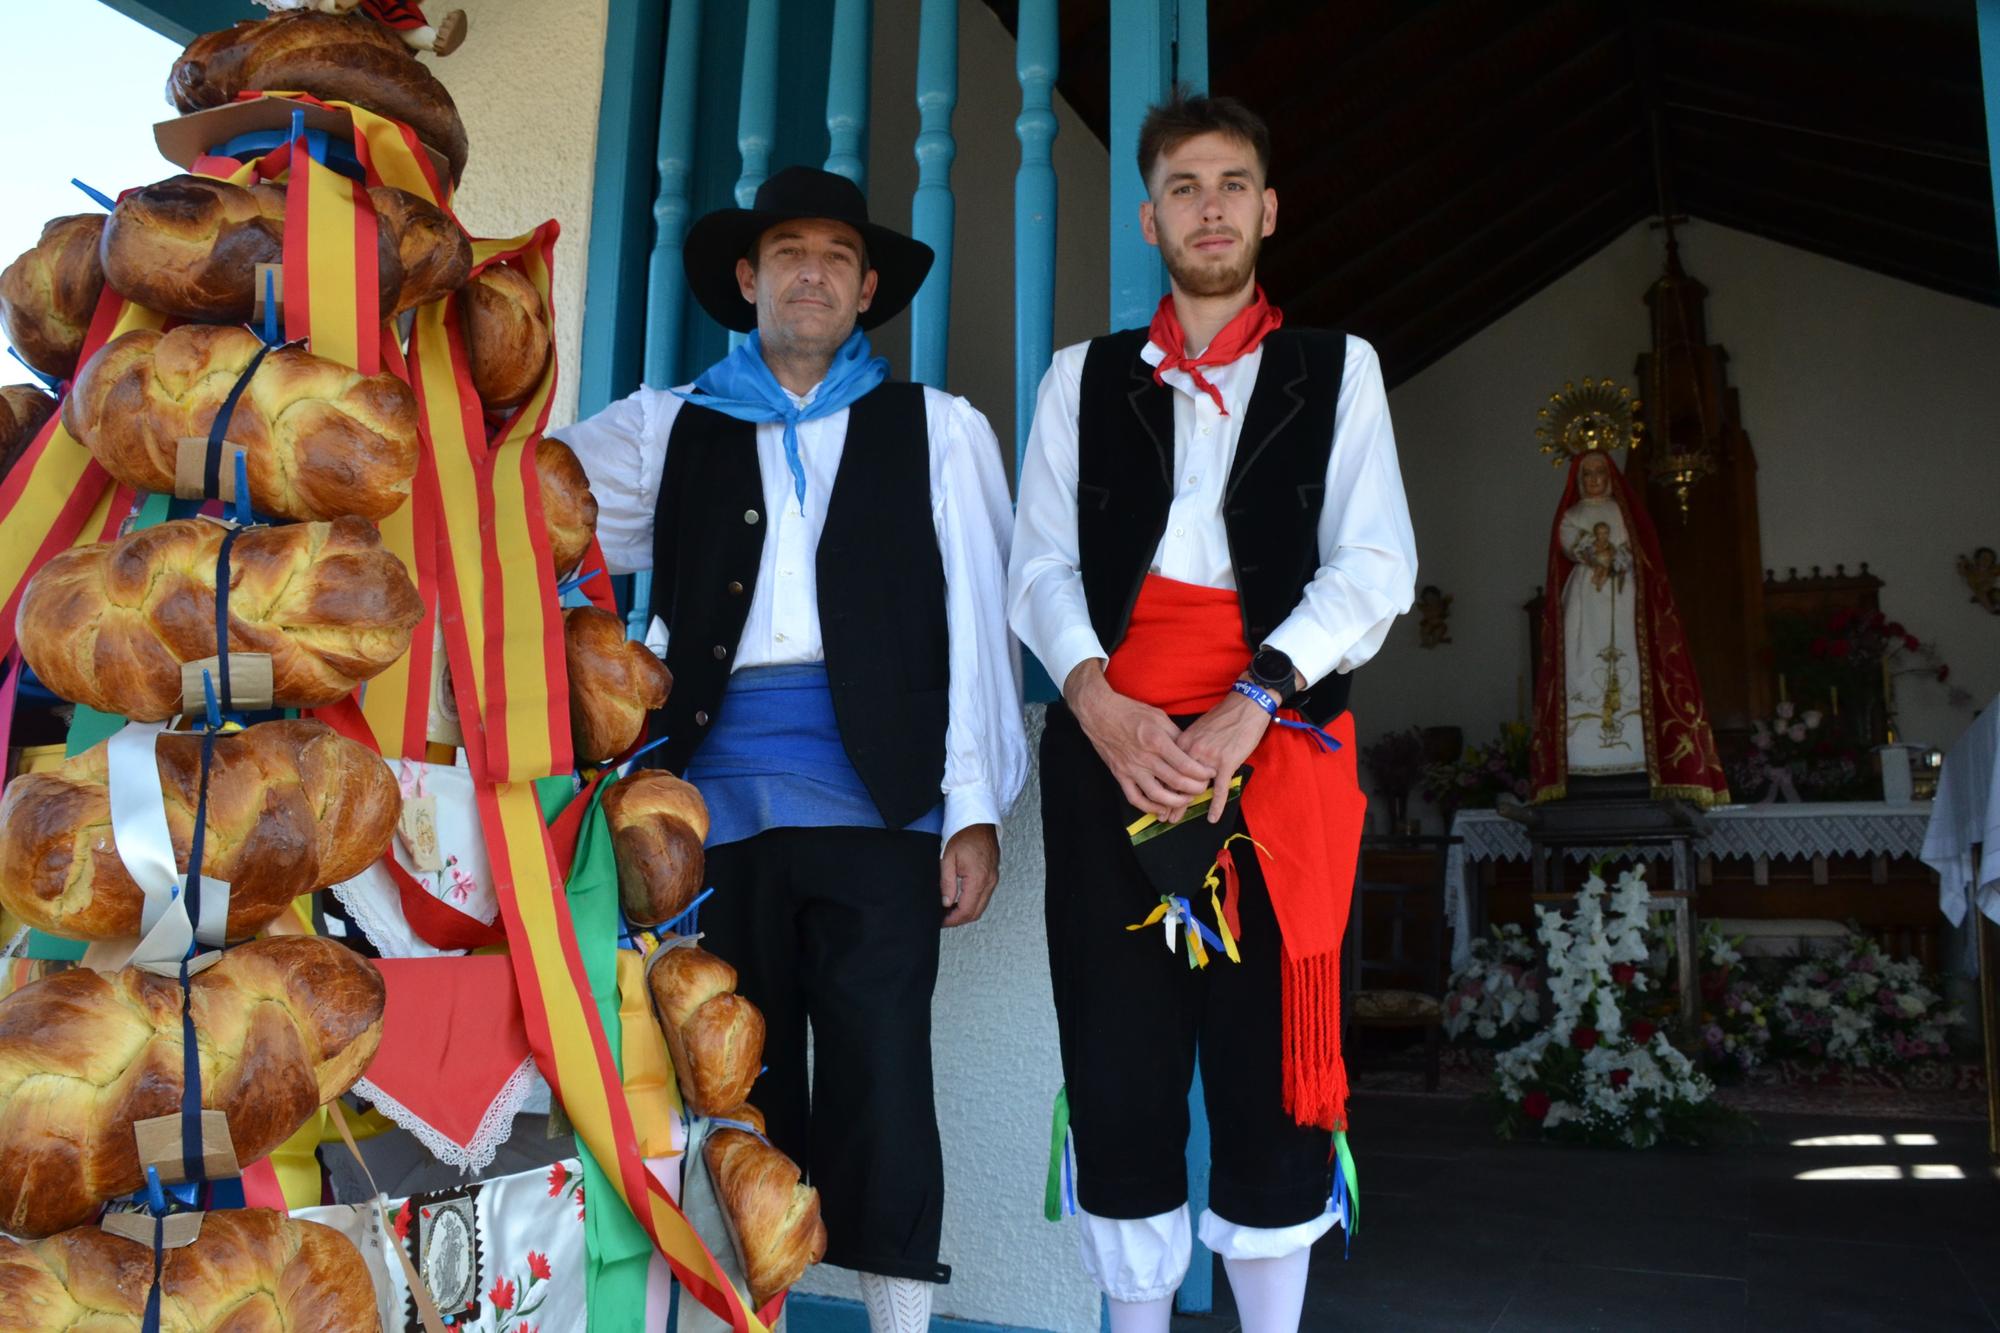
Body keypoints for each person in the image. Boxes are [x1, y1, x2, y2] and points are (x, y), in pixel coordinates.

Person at [553, 166, 1028, 1333]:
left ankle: (892, 1322)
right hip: (705, 806)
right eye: (786, 252)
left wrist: (973, 805)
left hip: (882, 796)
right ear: (746, 279)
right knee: (725, 1076)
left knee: (879, 1069)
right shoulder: (670, 423)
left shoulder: (938, 428)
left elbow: (977, 620)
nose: (809, 272)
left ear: (865, 289)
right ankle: (733, 1312)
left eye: (833, 255)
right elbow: (533, 501)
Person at [1008, 91, 1417, 1333]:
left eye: (1231, 183)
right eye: (1183, 186)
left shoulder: (1336, 368)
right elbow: (1034, 570)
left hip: (1278, 752)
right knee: (1119, 1064)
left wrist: (1255, 695)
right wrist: (1097, 700)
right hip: (1109, 756)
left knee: (1269, 1073)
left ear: (1268, 208)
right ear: (1149, 215)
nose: (1209, 207)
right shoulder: (1080, 379)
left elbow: (1374, 564)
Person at [1528, 447, 1728, 804]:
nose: (1593, 480)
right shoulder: (1572, 515)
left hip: (1624, 597)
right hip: (1585, 600)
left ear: (1610, 476)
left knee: (1630, 658)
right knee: (1583, 659)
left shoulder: (1624, 514)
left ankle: (1634, 750)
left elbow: (1638, 548)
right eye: (1586, 474)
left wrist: (1618, 557)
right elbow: (1568, 541)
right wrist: (1592, 552)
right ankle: (1584, 752)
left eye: (1599, 473)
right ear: (1578, 479)